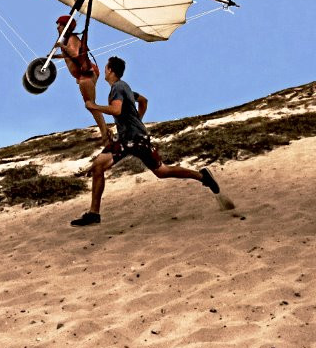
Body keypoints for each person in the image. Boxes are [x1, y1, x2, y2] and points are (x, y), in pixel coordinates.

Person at [72, 55, 232, 226]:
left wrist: (94, 106)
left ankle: (202, 176)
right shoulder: (124, 88)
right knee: (107, 166)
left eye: (106, 67)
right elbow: (143, 101)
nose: (104, 70)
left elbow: (116, 110)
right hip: (131, 138)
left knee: (156, 171)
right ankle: (94, 214)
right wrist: (137, 122)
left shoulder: (118, 87)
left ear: (110, 70)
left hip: (133, 139)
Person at [56, 15, 111, 143]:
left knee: (90, 104)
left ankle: (105, 133)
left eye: (60, 25)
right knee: (89, 104)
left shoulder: (71, 38)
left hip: (87, 74)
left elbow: (76, 54)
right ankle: (105, 131)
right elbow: (68, 56)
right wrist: (54, 56)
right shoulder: (67, 40)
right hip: (84, 74)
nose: (57, 27)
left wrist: (63, 46)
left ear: (66, 26)